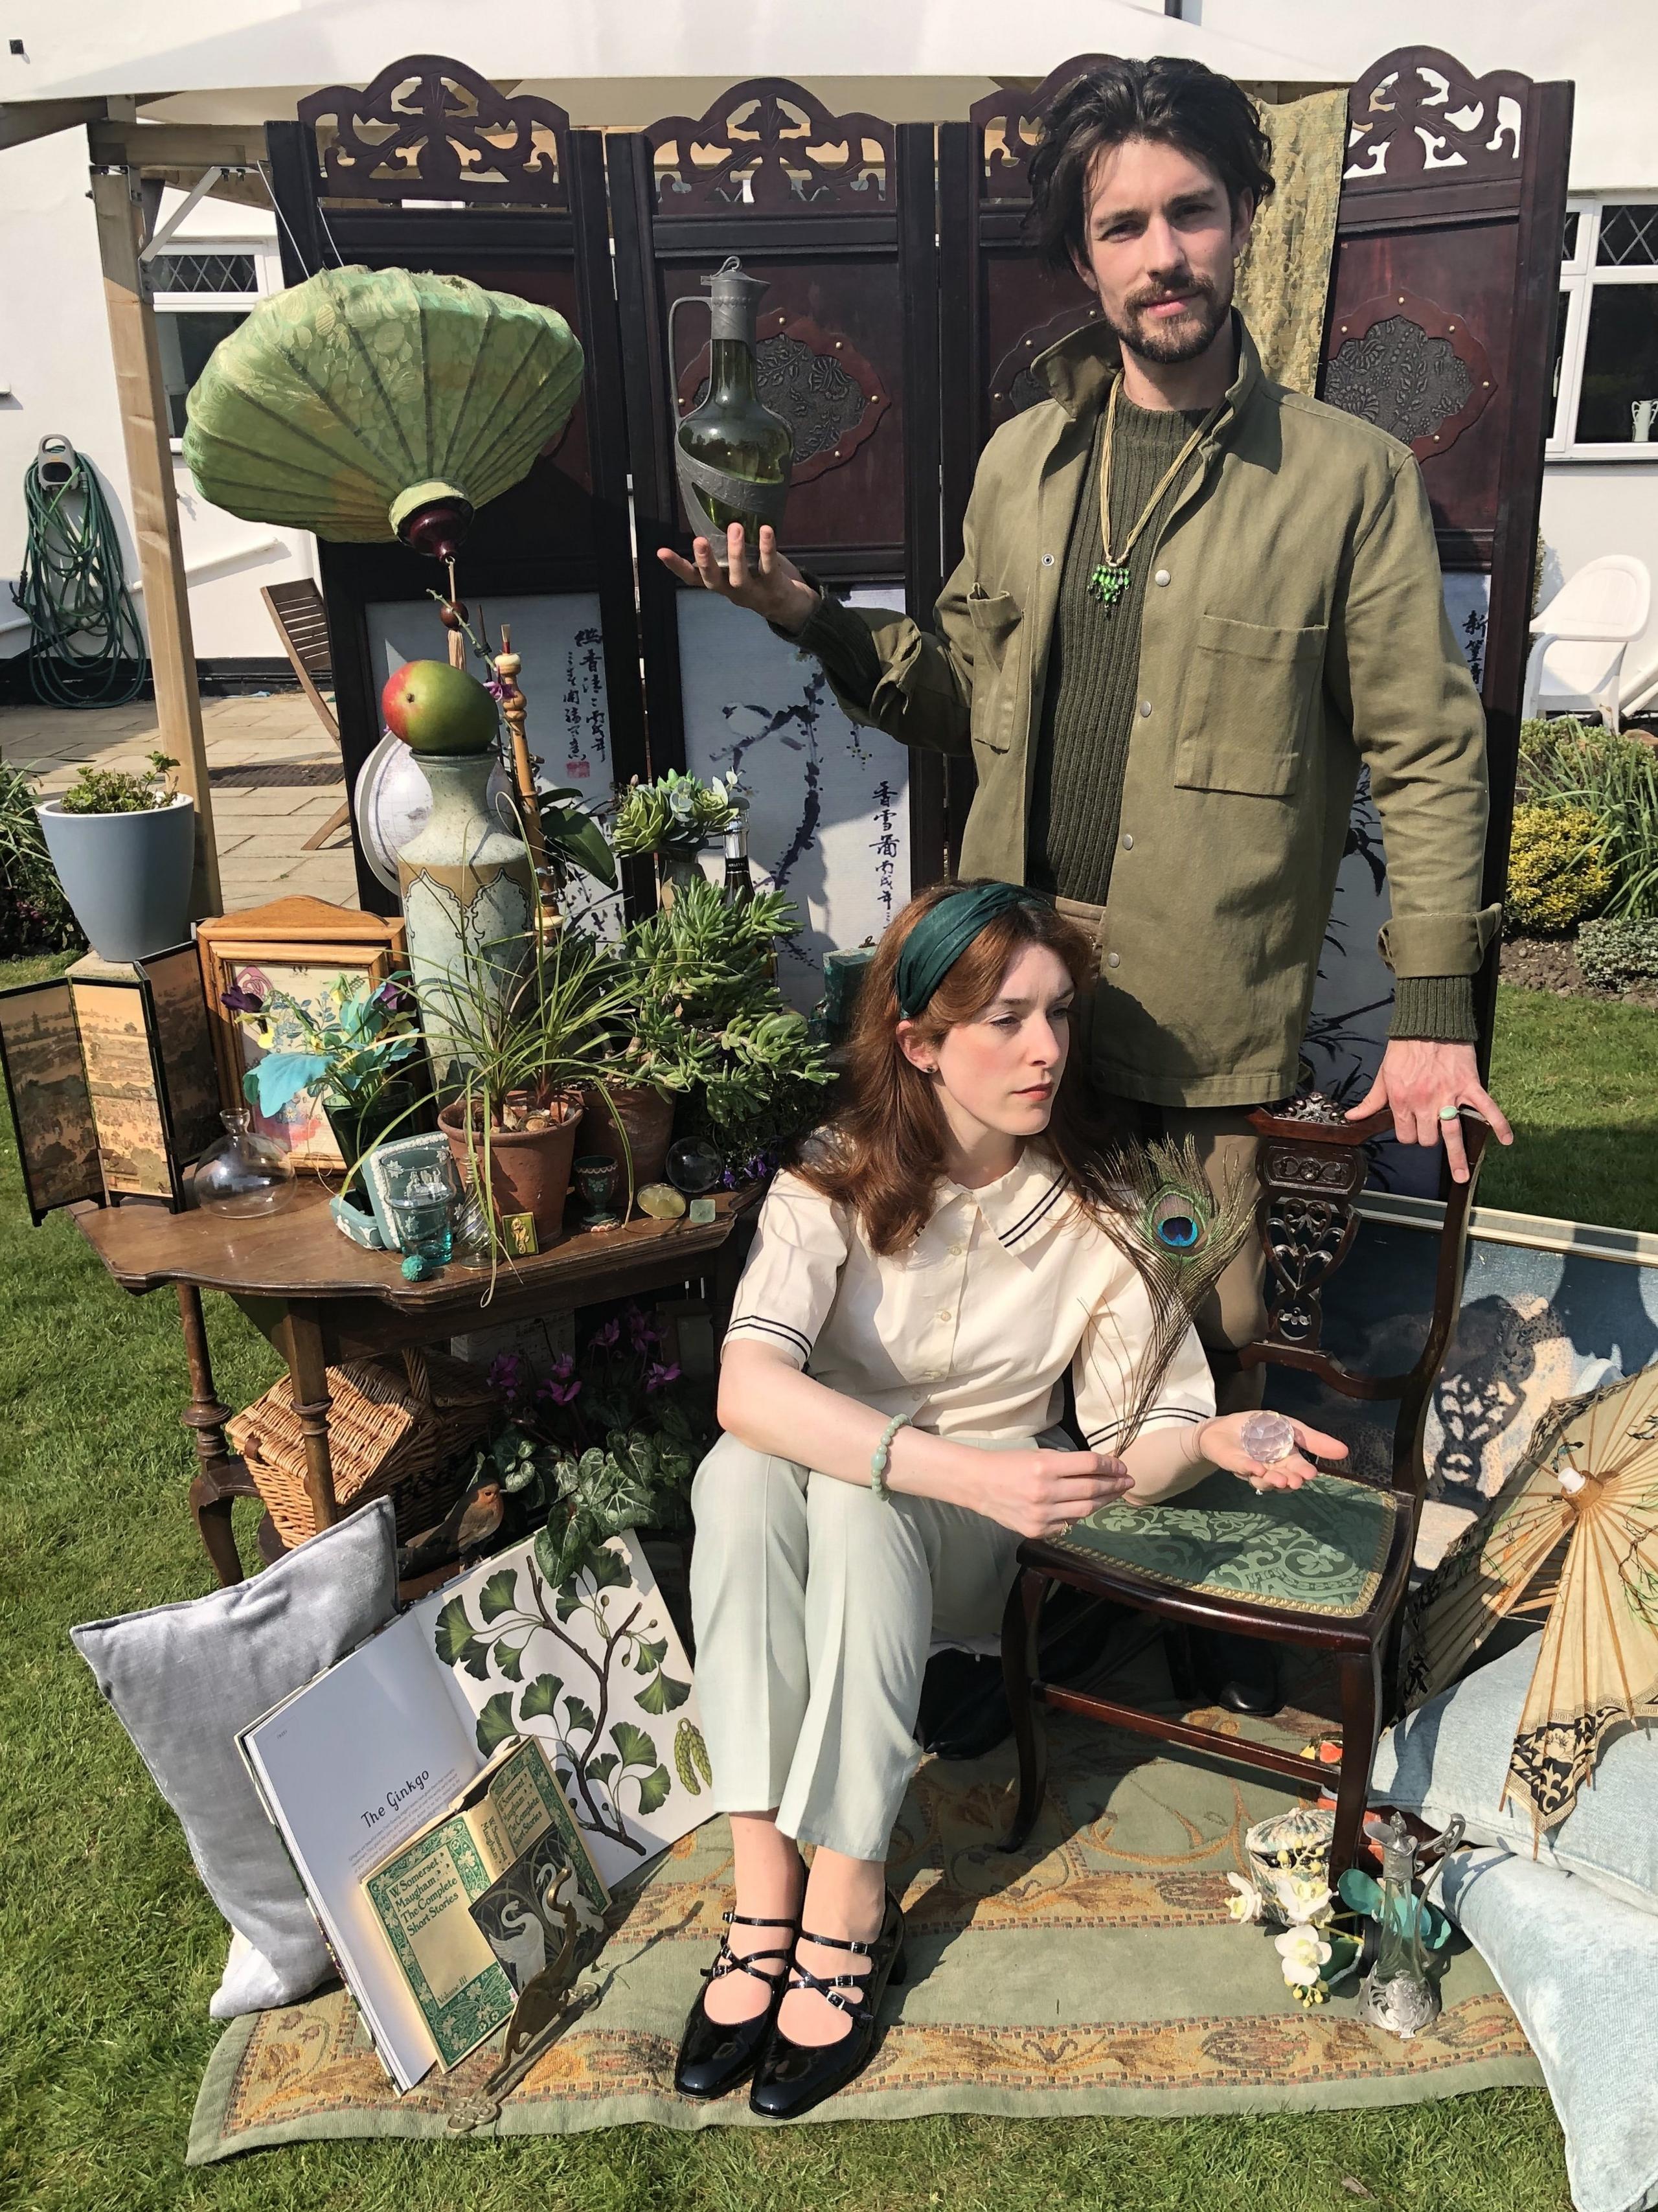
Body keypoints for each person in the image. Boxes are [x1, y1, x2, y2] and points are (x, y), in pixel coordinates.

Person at [659, 55, 1514, 1436]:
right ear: (1082, 256)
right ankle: (994, 1574)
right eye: (1122, 228)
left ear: (1241, 216)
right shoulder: (1016, 467)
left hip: (1199, 1026)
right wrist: (802, 614)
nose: (1161, 256)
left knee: (1196, 1330)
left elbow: (1423, 751)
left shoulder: (1346, 481)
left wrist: (1430, 1008)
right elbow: (957, 702)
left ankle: (1158, 1600)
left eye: (1189, 213)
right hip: (1005, 1009)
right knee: (984, 1327)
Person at [676, 882, 1345, 2118]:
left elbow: (1135, 1437)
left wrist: (1213, 1434)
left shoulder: (1094, 1214)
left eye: (1058, 1015)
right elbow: (744, 1389)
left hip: (973, 1550)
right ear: (921, 1045)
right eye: (1006, 1021)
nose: (1046, 1049)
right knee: (745, 1477)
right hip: (854, 1503)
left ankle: (847, 1899)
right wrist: (952, 1461)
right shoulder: (828, 1183)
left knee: (858, 1501)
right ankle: (762, 1880)